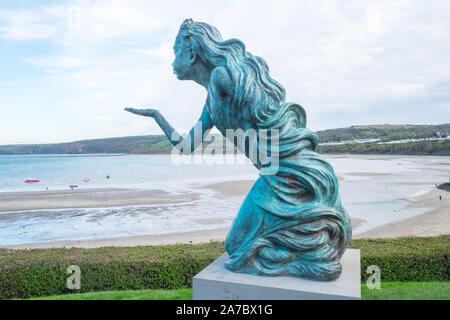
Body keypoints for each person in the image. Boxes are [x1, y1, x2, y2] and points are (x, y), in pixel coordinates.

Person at [125, 19, 351, 280]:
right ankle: (307, 247)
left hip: (285, 170)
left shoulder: (224, 75)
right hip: (273, 171)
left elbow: (266, 115)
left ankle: (312, 251)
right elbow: (185, 146)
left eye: (175, 52)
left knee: (236, 247)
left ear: (191, 51)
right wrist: (156, 116)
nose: (173, 61)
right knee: (238, 247)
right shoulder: (211, 101)